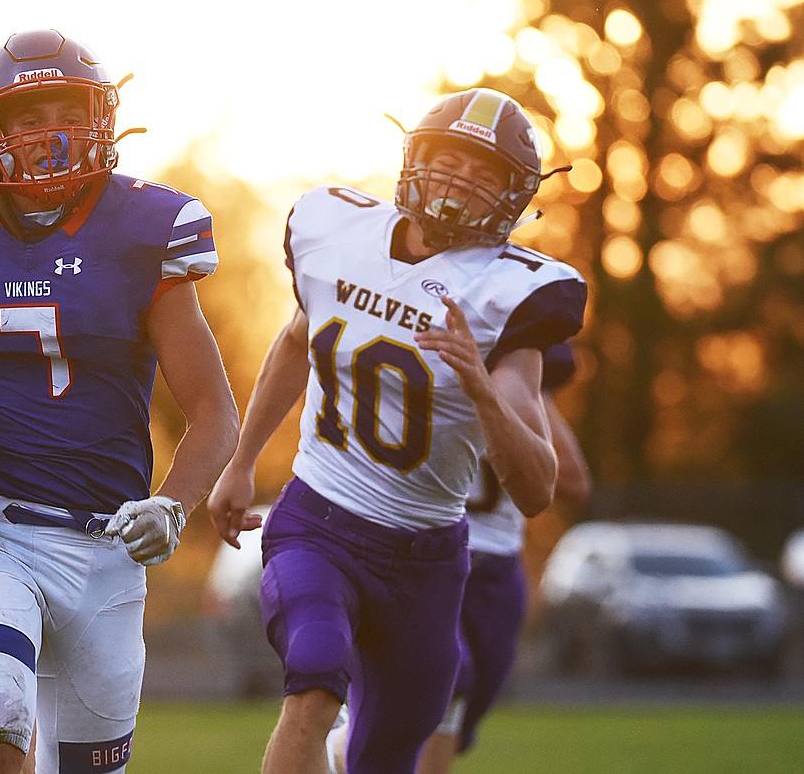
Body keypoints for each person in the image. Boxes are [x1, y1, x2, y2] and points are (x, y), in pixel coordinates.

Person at [0, 30, 238, 774]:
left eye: (67, 109)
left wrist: (172, 504)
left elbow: (215, 411)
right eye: (28, 116)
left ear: (101, 114)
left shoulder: (146, 226)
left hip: (110, 546)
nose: (49, 132)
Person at [206, 87, 587, 774]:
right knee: (315, 679)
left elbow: (537, 488)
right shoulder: (337, 233)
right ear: (415, 158)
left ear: (513, 197)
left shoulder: (508, 297)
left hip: (427, 561)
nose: (461, 183)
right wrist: (241, 460)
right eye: (450, 161)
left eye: (485, 175)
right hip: (319, 520)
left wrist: (481, 387)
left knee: (386, 753)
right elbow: (297, 340)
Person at [326, 341, 592, 774]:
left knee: (456, 716)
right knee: (452, 683)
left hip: (496, 566)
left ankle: (344, 749)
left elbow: (575, 484)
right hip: (420, 551)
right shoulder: (412, 358)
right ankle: (343, 747)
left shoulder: (519, 369)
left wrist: (522, 407)